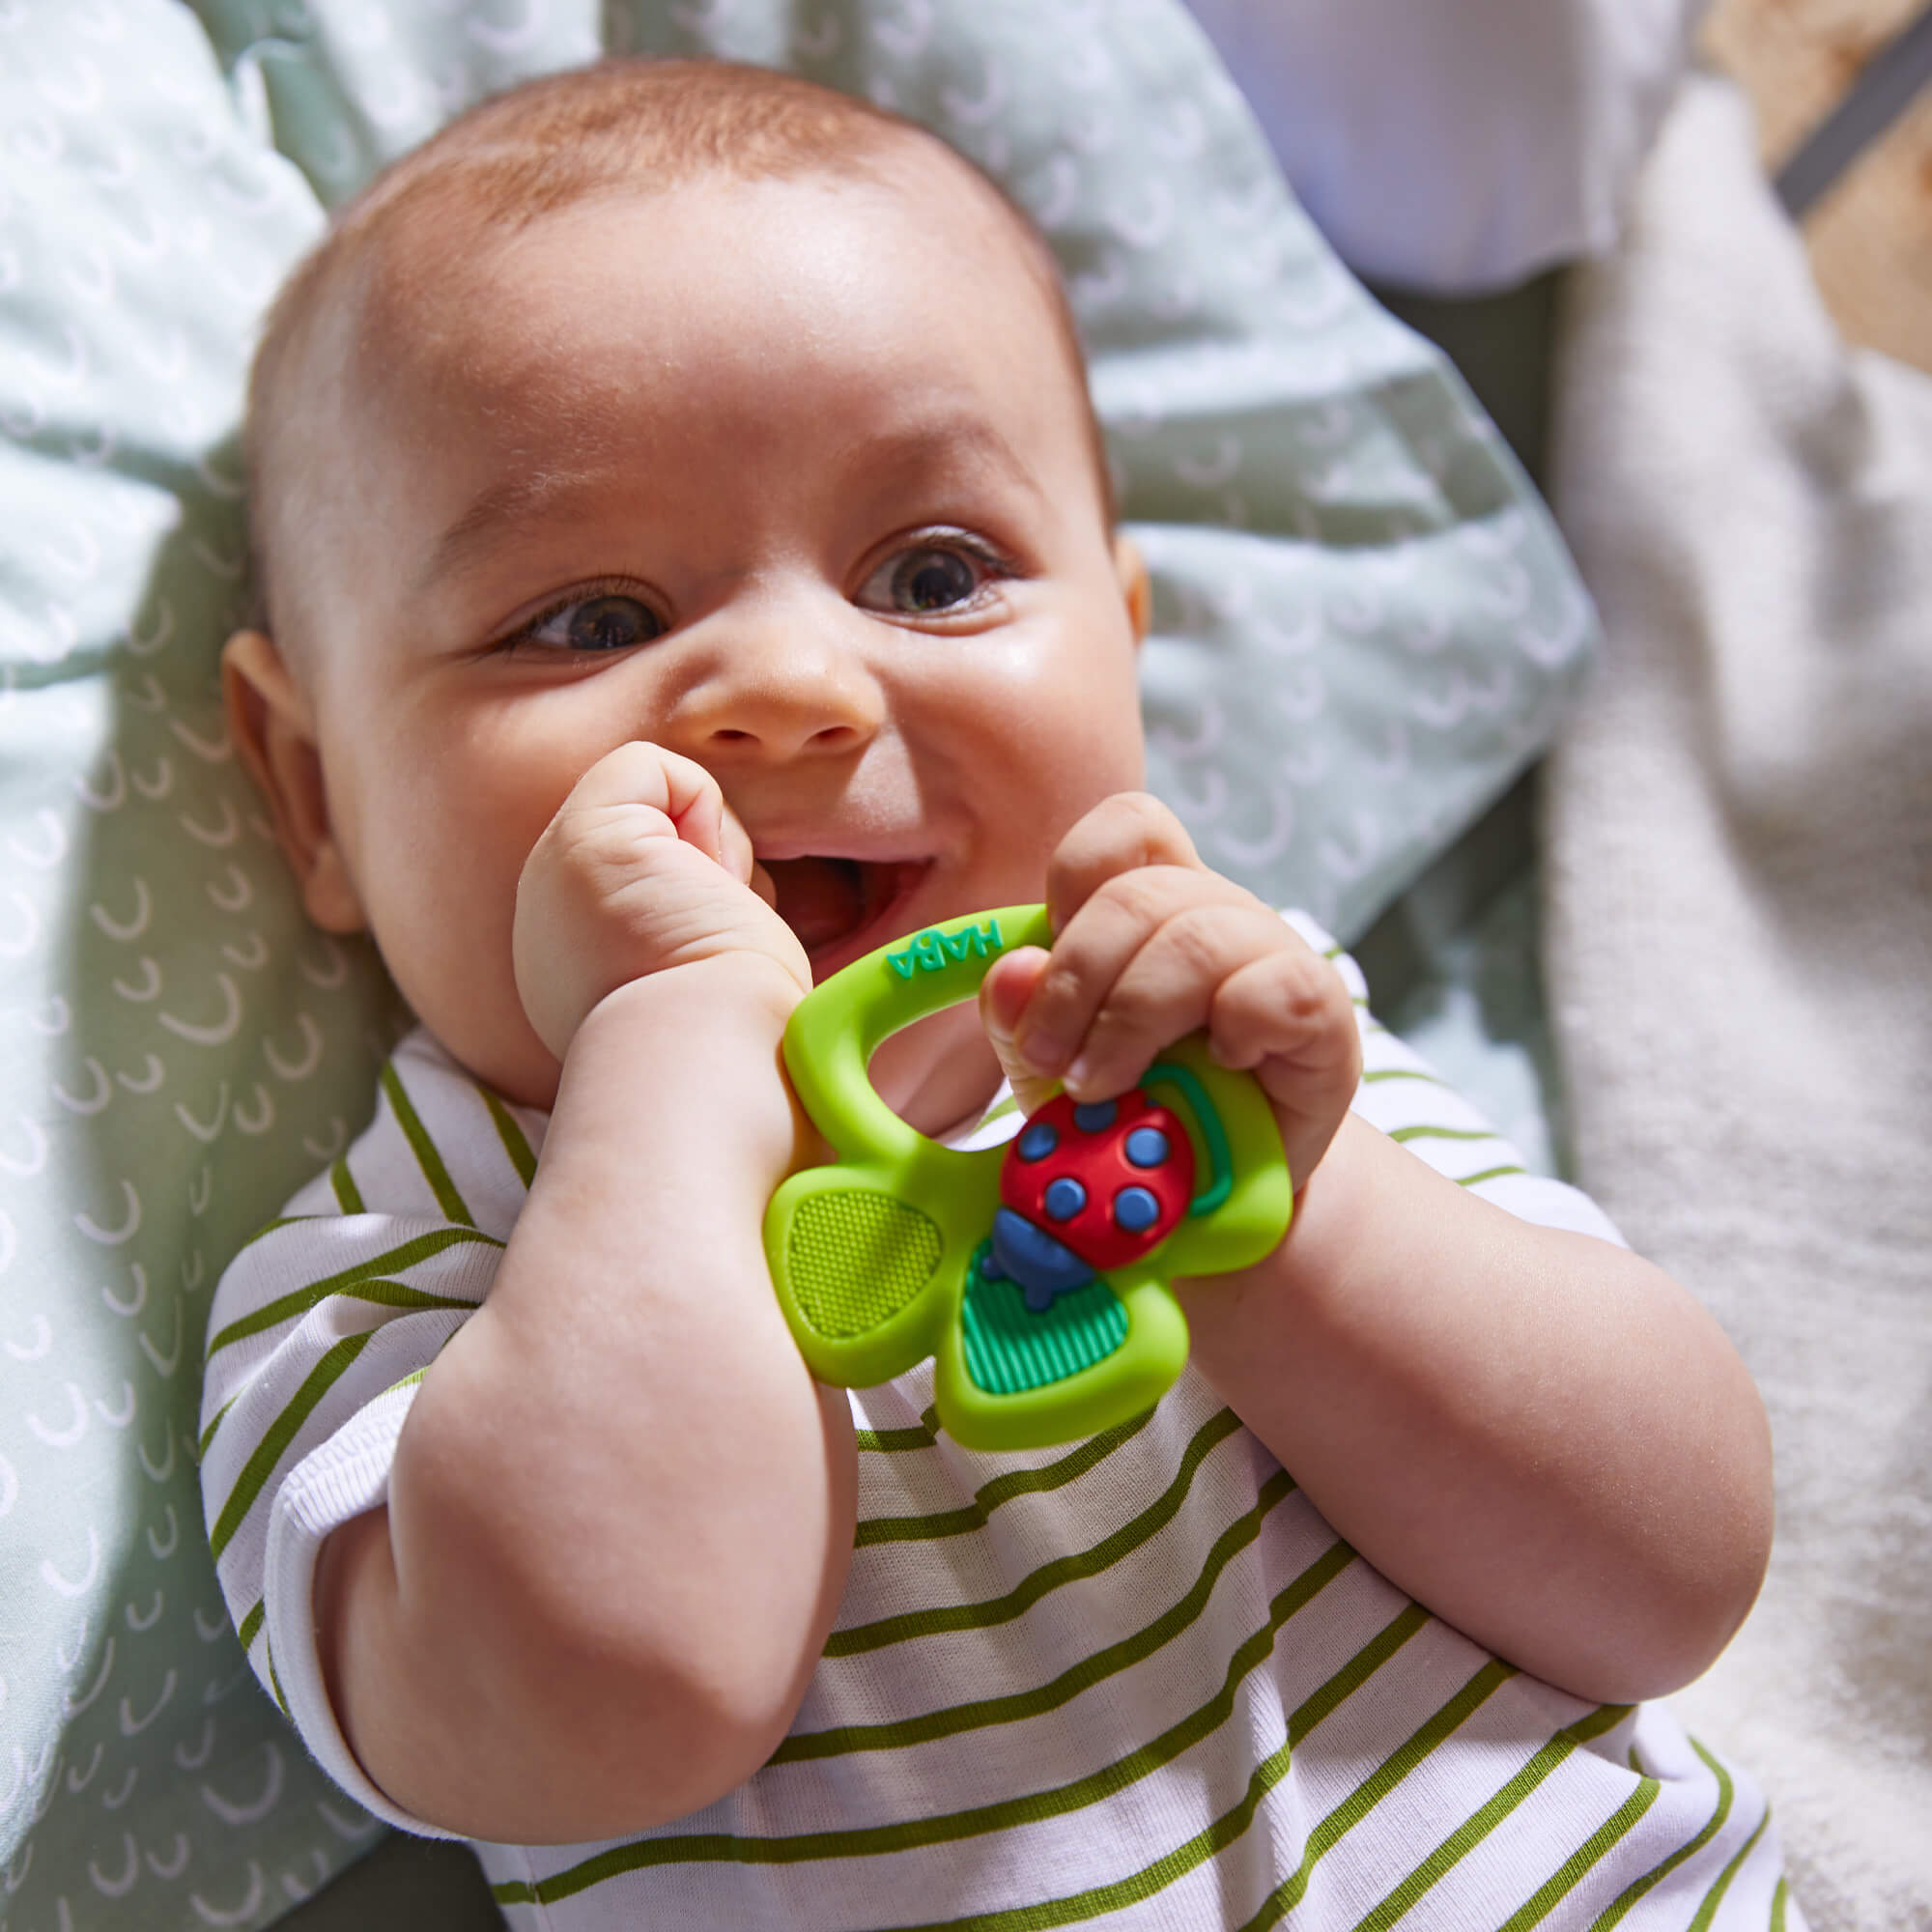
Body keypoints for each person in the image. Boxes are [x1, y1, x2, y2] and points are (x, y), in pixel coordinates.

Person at [197, 58, 1798, 1929]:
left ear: (1121, 651)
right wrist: (666, 1052)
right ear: (314, 794)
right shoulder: (382, 1282)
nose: (794, 682)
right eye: (592, 619)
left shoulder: (1235, 1048)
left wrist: (1279, 1218)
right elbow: (625, 1682)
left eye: (934, 573)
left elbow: (1672, 1573)